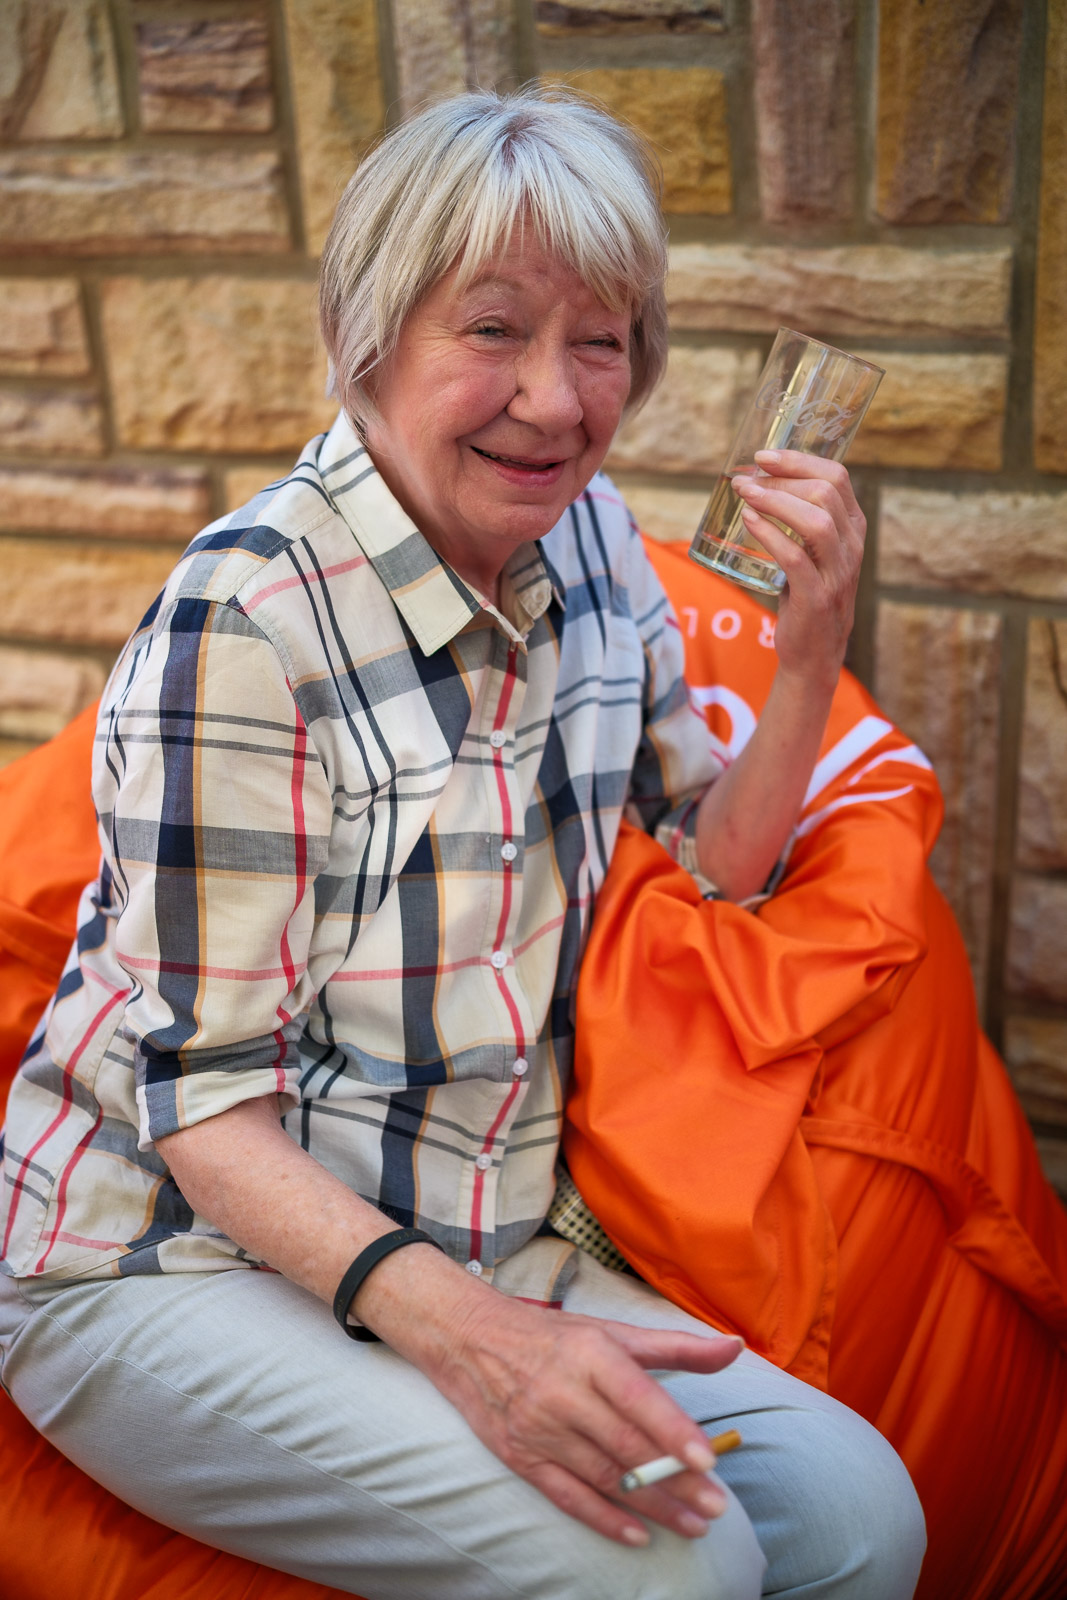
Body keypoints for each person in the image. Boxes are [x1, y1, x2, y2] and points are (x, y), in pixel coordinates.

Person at [0, 89, 925, 1600]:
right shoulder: (250, 622)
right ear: (367, 337)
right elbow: (193, 1101)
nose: (554, 401)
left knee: (863, 1515)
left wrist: (811, 646)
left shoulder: (596, 539)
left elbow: (709, 863)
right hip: (163, 1262)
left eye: (601, 340)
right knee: (671, 1571)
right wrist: (478, 1341)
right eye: (492, 329)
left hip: (478, 1223)